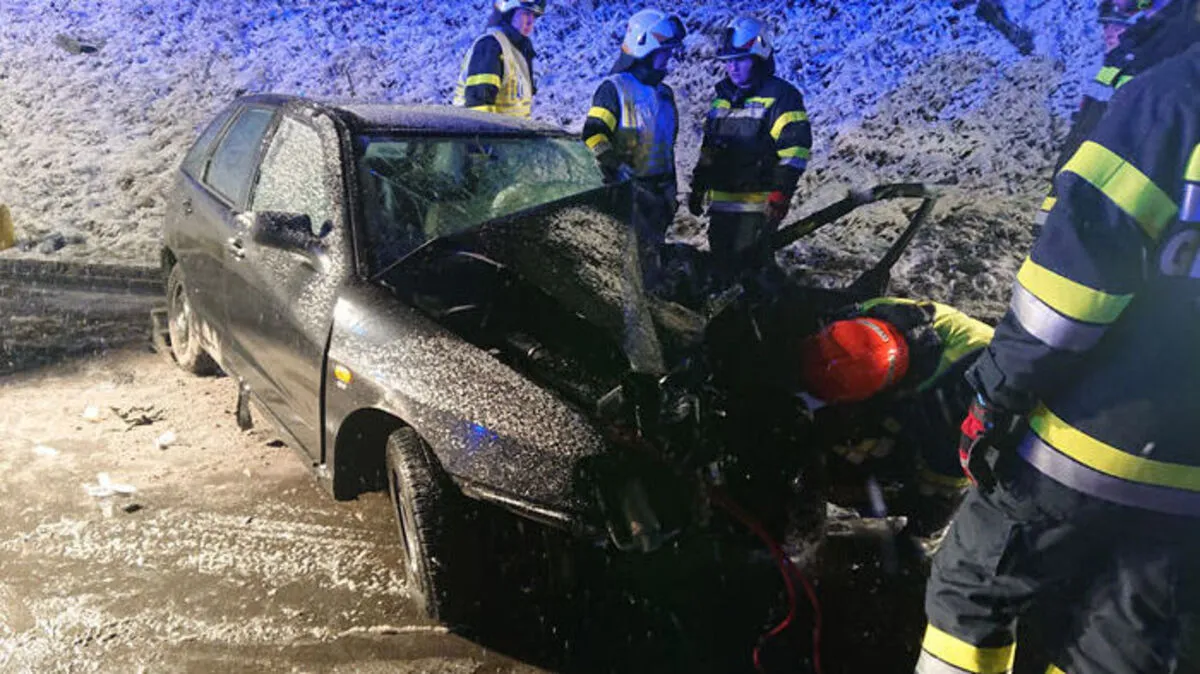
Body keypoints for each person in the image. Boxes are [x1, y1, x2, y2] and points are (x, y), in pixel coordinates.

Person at [916, 44, 1200, 674]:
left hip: (1092, 441)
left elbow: (1067, 297)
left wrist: (994, 393)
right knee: (1129, 643)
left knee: (974, 590)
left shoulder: (1175, 96)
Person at [800, 298, 993, 540]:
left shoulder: (952, 403)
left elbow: (947, 480)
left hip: (979, 408)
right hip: (924, 382)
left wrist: (920, 532)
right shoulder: (863, 317)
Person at [1034, 0, 1197, 226]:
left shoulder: (1167, 52)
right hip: (1076, 207)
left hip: (1109, 216)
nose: (1108, 33)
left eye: (1113, 22)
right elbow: (1082, 135)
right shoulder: (1123, 57)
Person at [688, 17, 811, 286]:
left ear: (760, 57)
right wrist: (699, 185)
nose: (732, 67)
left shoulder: (782, 97)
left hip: (757, 208)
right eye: (729, 60)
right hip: (721, 207)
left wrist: (781, 193)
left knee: (751, 278)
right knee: (722, 275)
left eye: (740, 60)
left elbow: (795, 150)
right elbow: (710, 148)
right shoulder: (722, 98)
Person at [582, 9, 686, 290]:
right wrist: (613, 165)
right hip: (625, 196)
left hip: (657, 195)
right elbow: (593, 134)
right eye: (664, 51)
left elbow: (667, 147)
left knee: (652, 264)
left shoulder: (665, 95)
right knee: (630, 271)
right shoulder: (614, 88)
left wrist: (670, 190)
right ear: (645, 47)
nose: (669, 57)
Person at [451, 0, 544, 118]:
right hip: (485, 134)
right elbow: (479, 107)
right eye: (525, 14)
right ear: (509, 14)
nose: (530, 22)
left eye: (533, 16)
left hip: (510, 134)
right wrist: (488, 135)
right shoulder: (490, 45)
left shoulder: (519, 51)